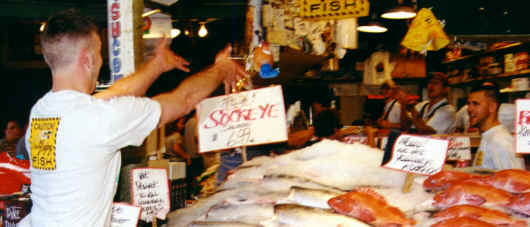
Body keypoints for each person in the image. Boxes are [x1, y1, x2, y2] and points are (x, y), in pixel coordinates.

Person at [21, 9, 247, 226]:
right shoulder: (98, 119)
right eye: (99, 53)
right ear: (88, 59)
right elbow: (184, 100)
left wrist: (157, 65)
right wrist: (221, 69)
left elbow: (114, 94)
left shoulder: (42, 111)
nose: (101, 61)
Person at [467, 83, 525, 170]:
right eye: (469, 104)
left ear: (492, 107)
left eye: (475, 104)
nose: (469, 109)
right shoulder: (490, 136)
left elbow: (516, 180)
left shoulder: (501, 141)